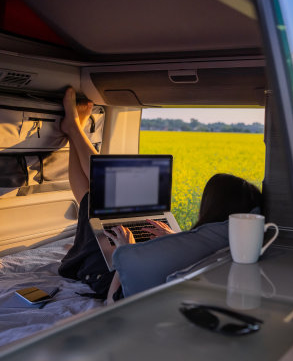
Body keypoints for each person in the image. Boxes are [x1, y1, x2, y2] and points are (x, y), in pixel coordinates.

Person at [57, 87, 262, 303]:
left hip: (116, 276)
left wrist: (128, 252)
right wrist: (176, 240)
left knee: (95, 198)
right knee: (95, 199)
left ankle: (74, 129)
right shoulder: (229, 242)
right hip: (146, 259)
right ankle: (73, 130)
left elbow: (112, 301)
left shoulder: (217, 248)